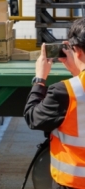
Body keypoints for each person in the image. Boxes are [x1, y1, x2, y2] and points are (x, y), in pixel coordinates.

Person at [24, 19, 85, 189]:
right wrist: (77, 71)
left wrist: (39, 79)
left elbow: (33, 118)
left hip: (75, 183)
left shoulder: (64, 91)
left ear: (77, 51)